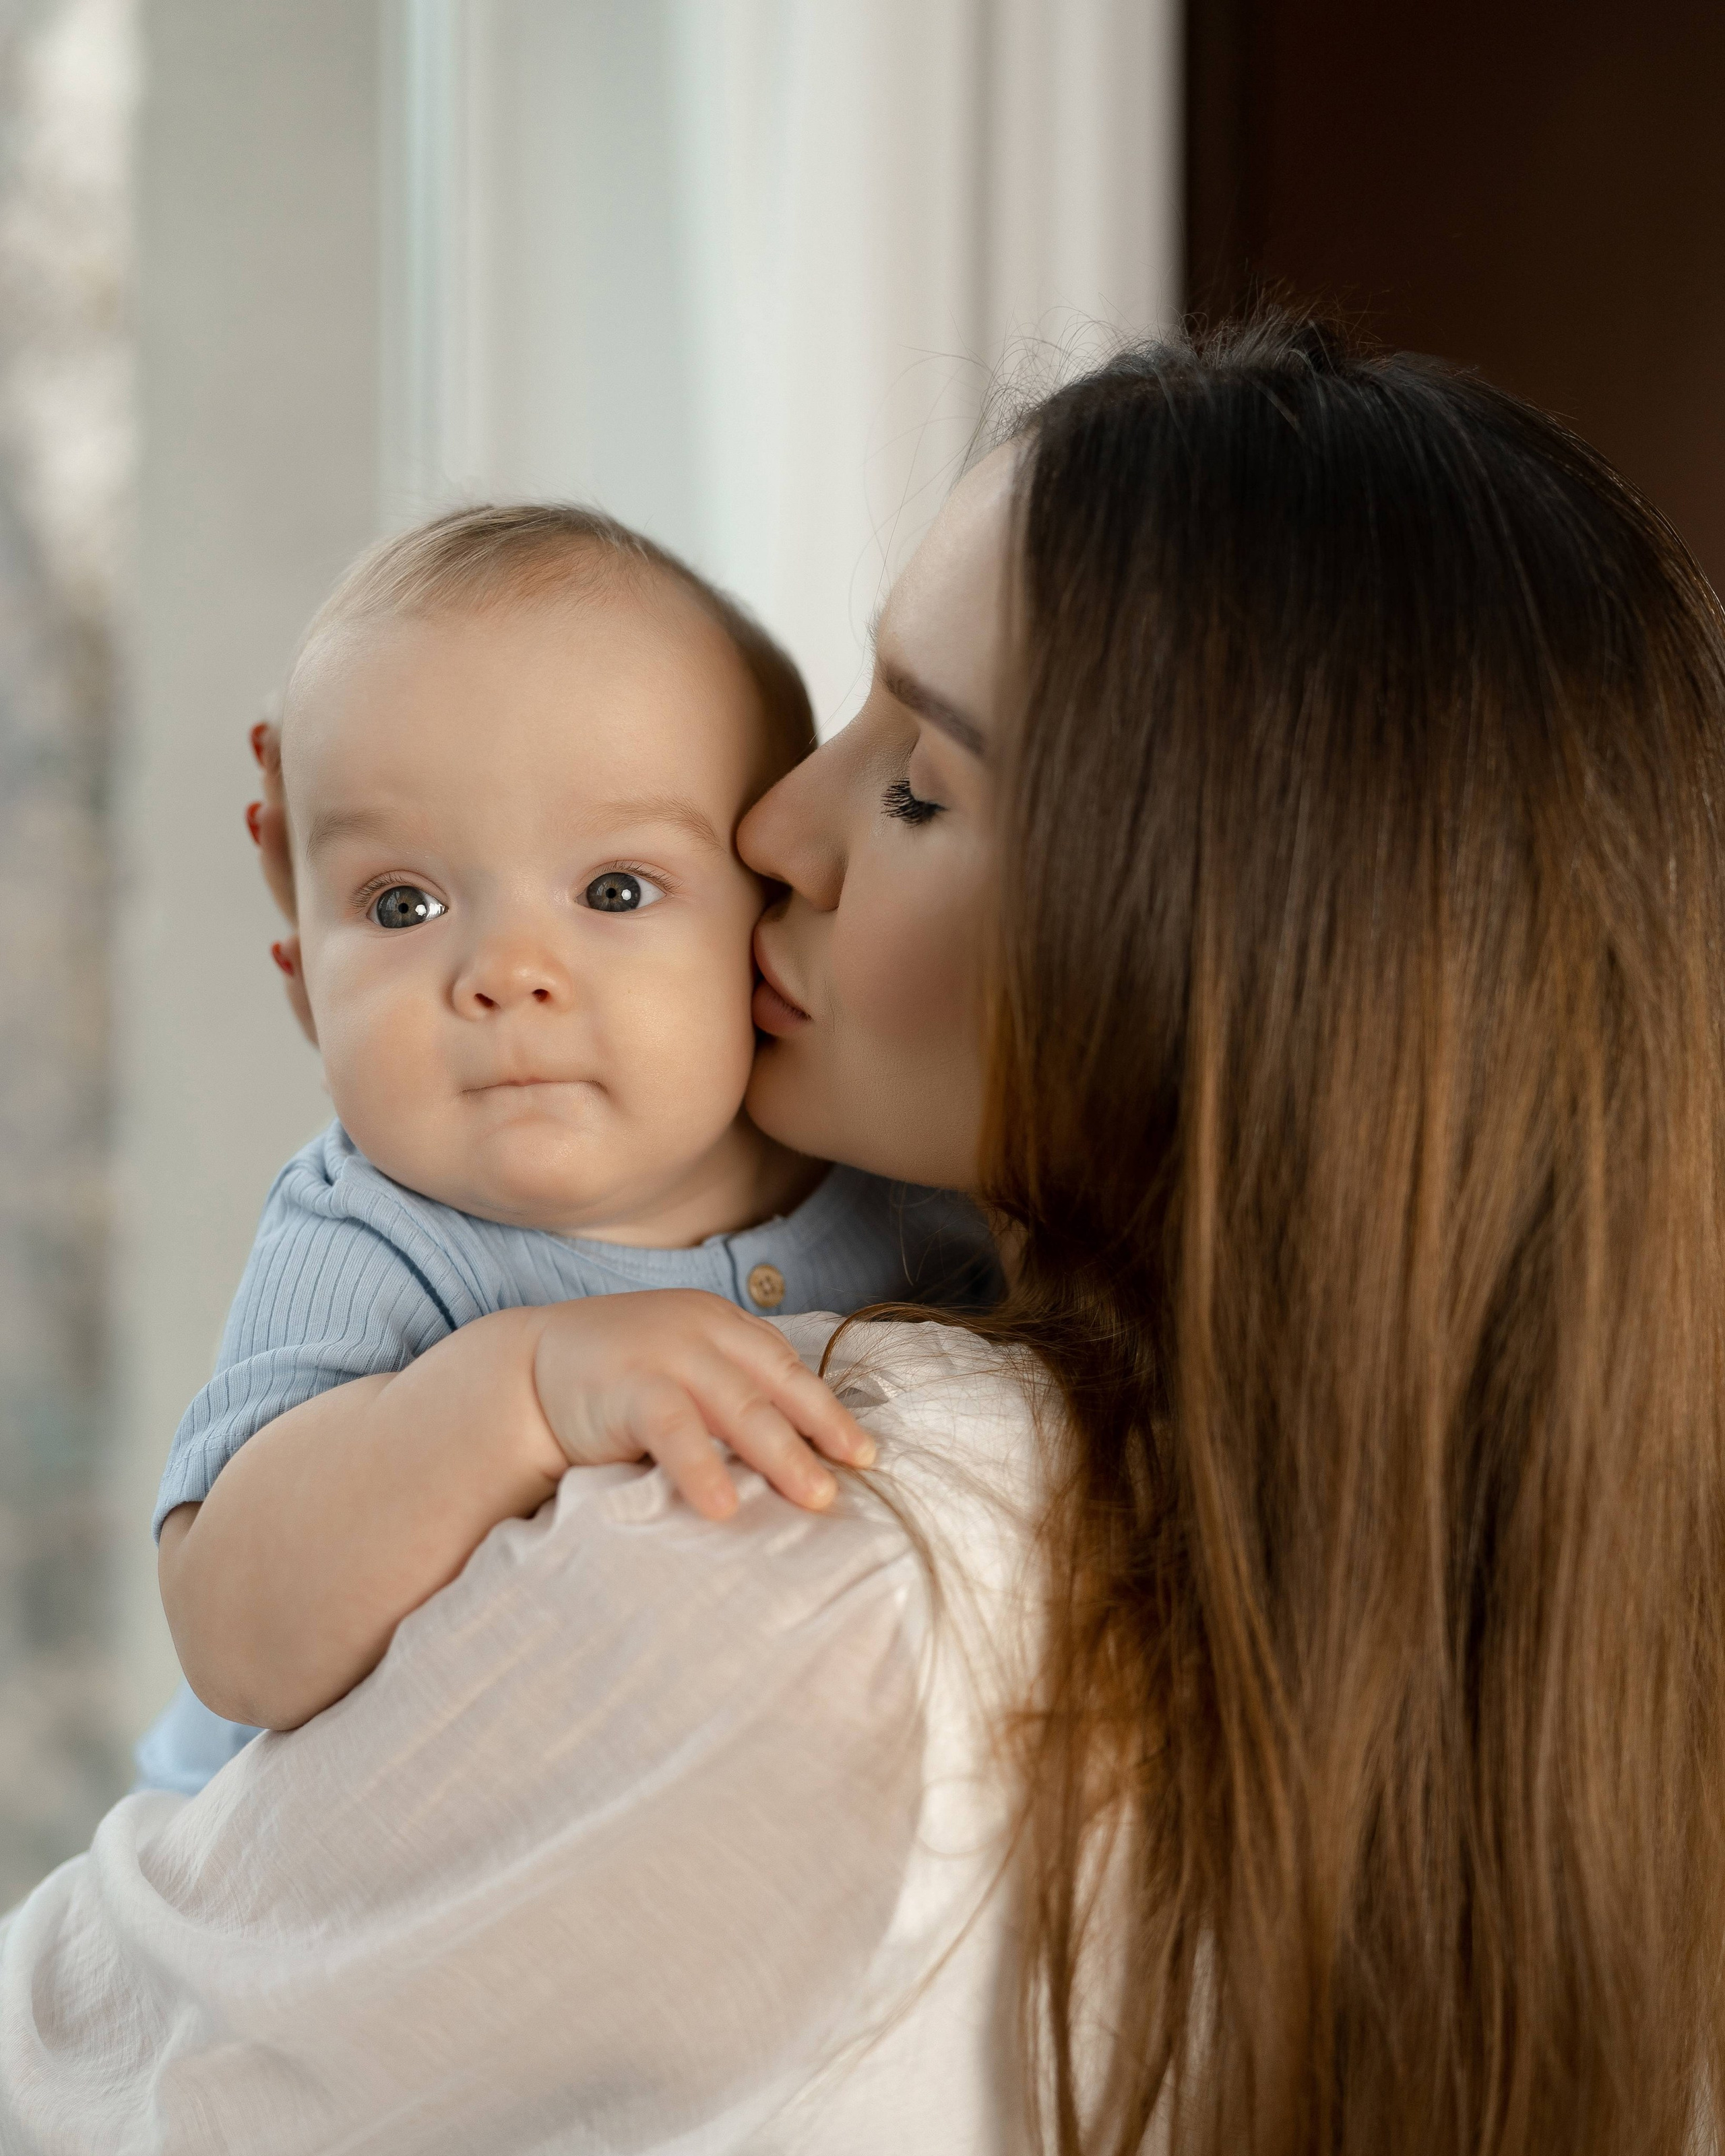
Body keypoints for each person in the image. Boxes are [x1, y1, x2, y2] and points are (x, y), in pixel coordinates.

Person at [5, 311, 1725, 2156]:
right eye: (856, 714)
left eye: (915, 784)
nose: (775, 823)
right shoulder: (1533, 1627)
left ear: (1211, 966)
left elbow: (91, 2076)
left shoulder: (842, 1572)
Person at [137, 502, 994, 1794]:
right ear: (307, 977)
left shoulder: (903, 1193)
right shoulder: (378, 1232)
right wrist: (519, 1391)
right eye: (401, 904)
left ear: (761, 929)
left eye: (614, 892)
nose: (504, 975)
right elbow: (232, 1631)